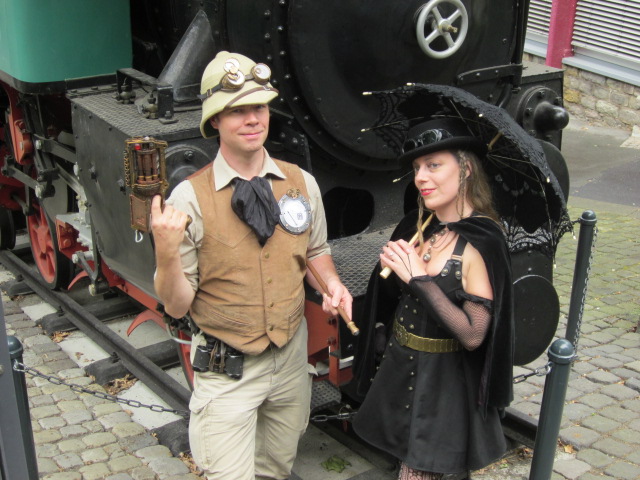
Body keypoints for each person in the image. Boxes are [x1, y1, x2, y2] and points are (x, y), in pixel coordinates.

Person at [151, 50, 353, 480]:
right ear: (215, 121)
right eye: (236, 110)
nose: (252, 119)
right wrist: (166, 252)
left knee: (275, 470)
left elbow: (315, 251)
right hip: (228, 370)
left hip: (290, 362)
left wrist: (333, 285)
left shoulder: (301, 183)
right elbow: (176, 305)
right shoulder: (189, 198)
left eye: (258, 107)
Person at [351, 117, 514, 480]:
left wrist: (419, 279)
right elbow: (391, 299)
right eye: (416, 168)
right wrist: (391, 271)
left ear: (466, 169)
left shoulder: (481, 242)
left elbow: (473, 335)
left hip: (443, 385)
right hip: (402, 367)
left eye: (433, 165)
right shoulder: (418, 225)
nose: (421, 178)